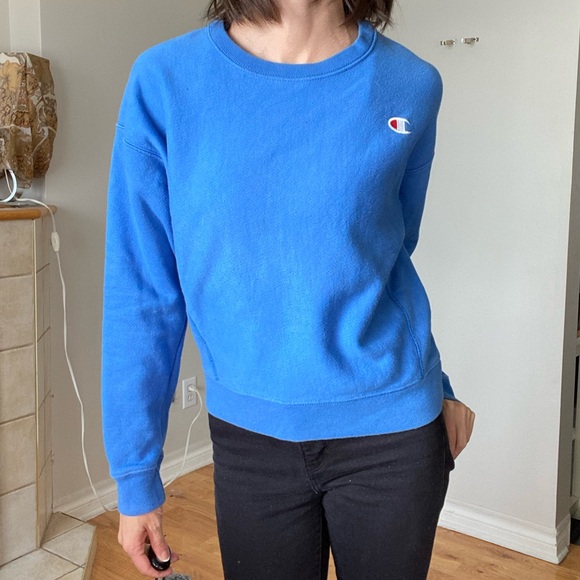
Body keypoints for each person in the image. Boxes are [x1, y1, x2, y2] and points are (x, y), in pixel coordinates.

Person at [101, 0, 476, 577]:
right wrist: (135, 475)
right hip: (250, 440)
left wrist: (437, 384)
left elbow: (386, 256)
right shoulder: (166, 81)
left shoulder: (411, 82)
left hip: (394, 434)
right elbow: (143, 291)